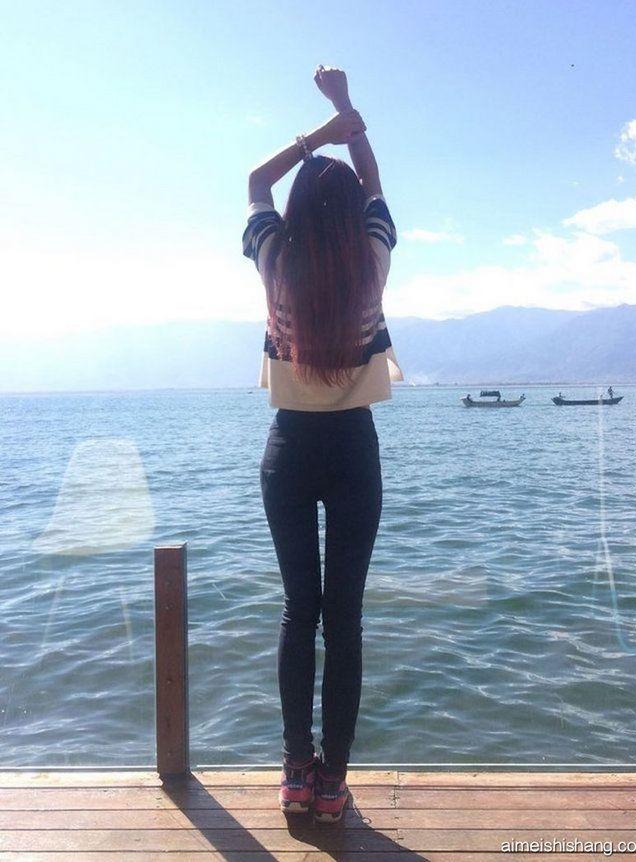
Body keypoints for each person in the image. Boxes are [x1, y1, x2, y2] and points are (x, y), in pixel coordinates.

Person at [242, 65, 403, 824]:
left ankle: (294, 773)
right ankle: (333, 782)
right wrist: (347, 111)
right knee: (345, 618)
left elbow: (255, 182)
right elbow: (373, 183)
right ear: (352, 217)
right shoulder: (371, 263)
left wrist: (317, 135)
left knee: (297, 611)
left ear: (299, 213)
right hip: (353, 450)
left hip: (289, 449)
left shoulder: (276, 262)